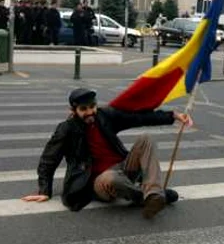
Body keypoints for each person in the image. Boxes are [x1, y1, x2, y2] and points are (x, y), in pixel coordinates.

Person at [22, 88, 193, 219]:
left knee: (146, 139)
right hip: (98, 181)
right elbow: (48, 159)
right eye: (84, 109)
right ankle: (144, 197)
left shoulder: (105, 116)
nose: (90, 112)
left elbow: (138, 118)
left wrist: (173, 116)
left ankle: (154, 193)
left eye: (92, 107)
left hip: (124, 167)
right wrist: (44, 190)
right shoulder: (66, 130)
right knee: (111, 178)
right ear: (73, 110)